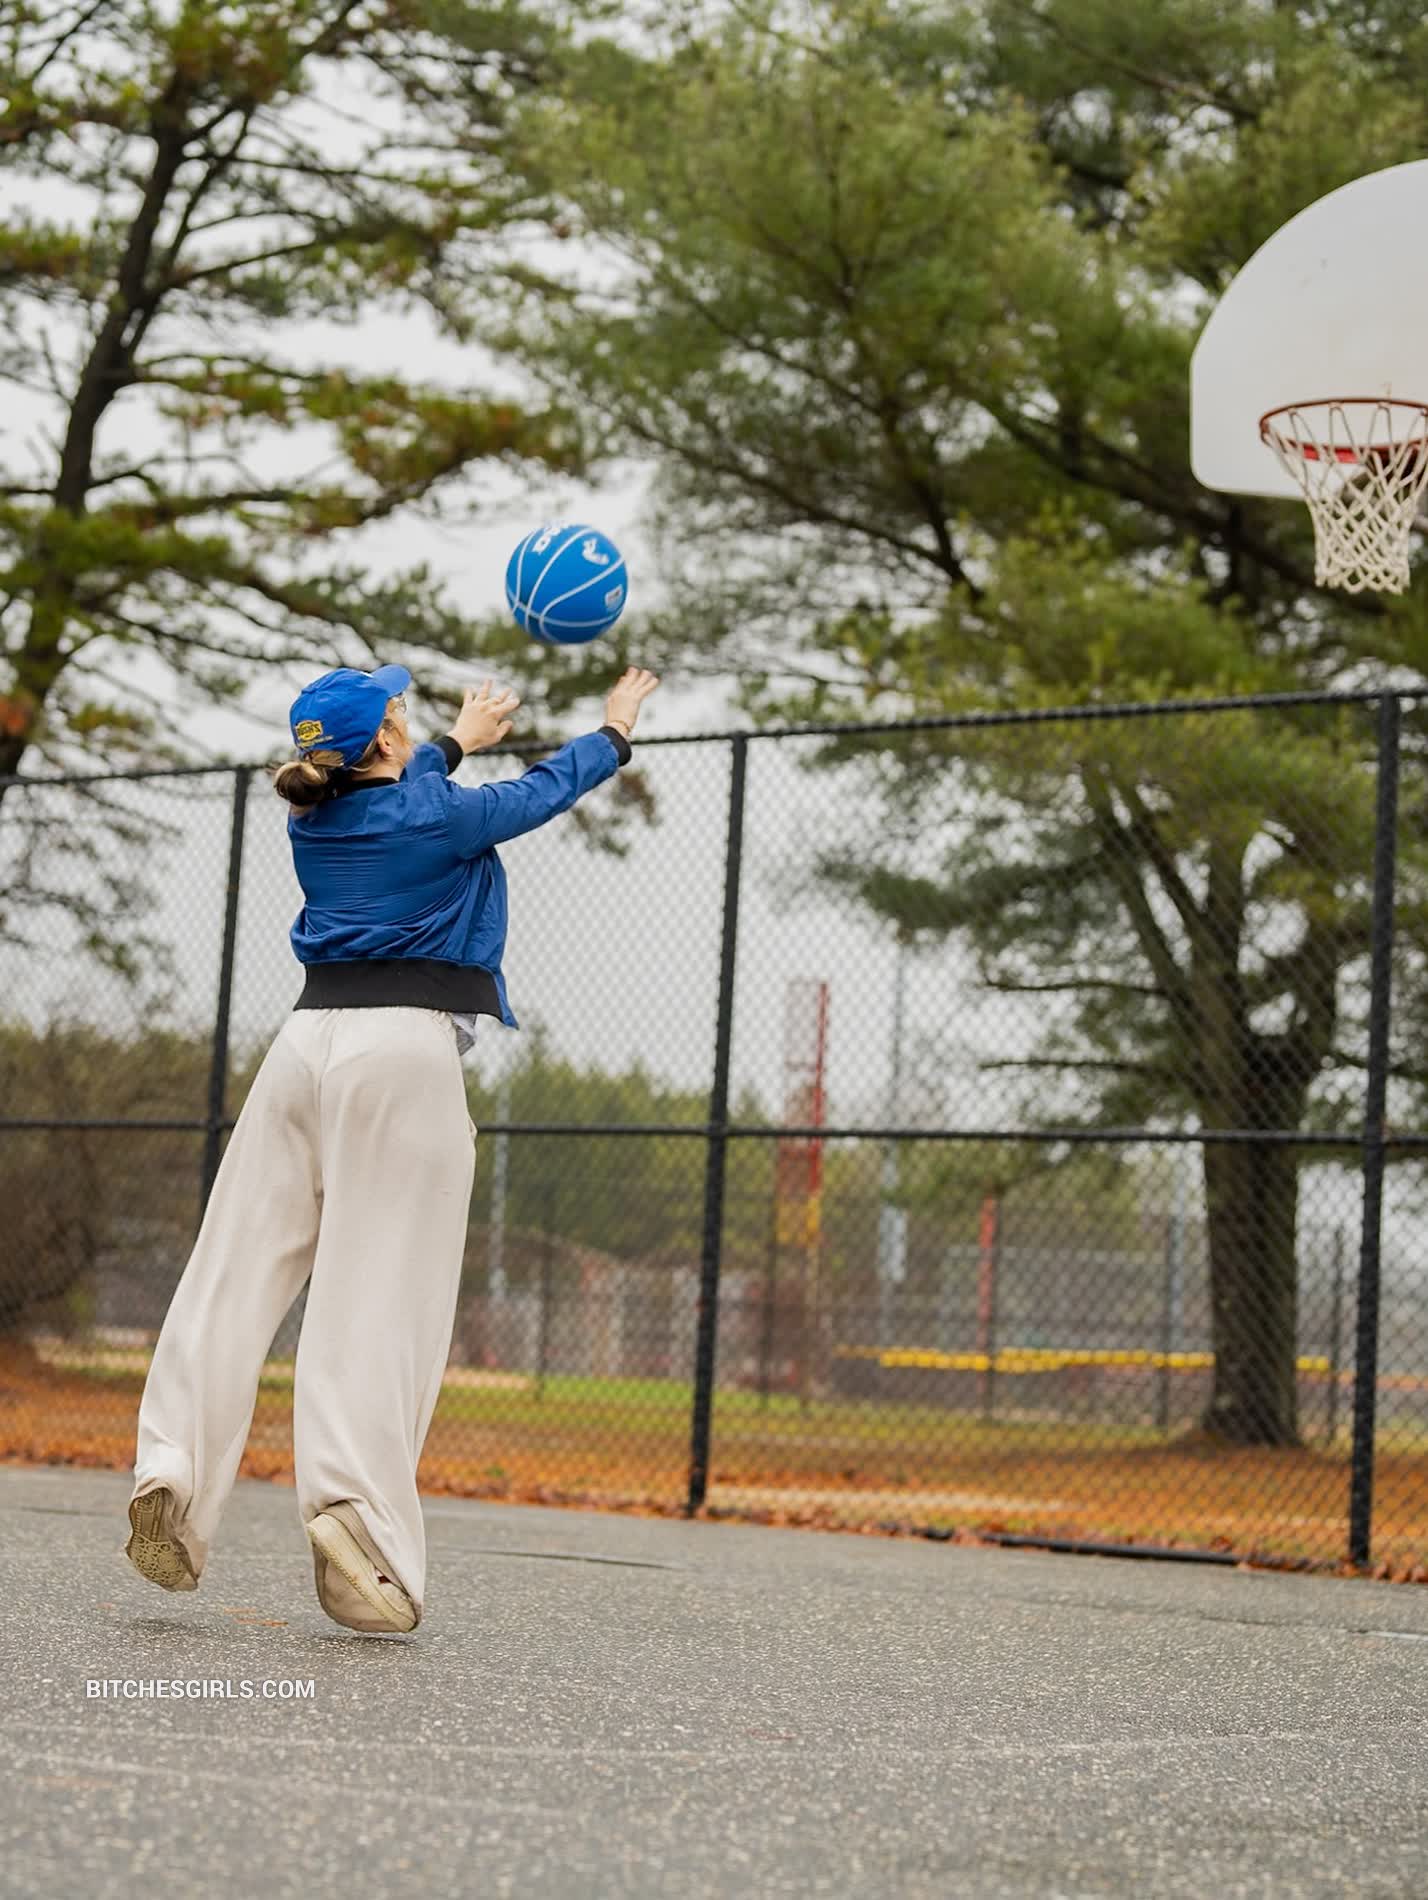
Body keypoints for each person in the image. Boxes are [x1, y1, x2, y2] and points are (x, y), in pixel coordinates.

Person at [125, 663, 660, 1633]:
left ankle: (172, 1469)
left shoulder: (312, 818)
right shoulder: (436, 814)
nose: (409, 721)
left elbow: (409, 791)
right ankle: (356, 1521)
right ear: (381, 741)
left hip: (302, 1049)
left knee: (230, 1271)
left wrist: (453, 740)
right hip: (401, 1052)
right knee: (377, 1296)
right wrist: (614, 731)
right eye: (400, 714)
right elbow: (540, 792)